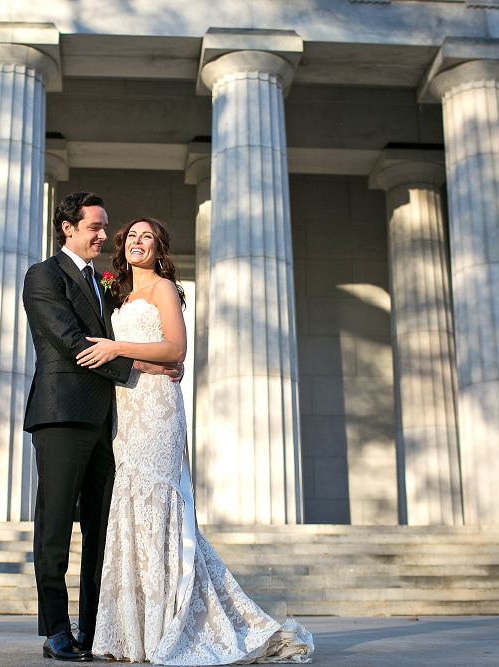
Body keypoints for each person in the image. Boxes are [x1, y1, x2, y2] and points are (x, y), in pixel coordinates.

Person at [75, 217, 314, 665]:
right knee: (130, 506)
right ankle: (133, 631)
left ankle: (173, 623)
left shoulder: (164, 288)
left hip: (159, 408)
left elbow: (175, 350)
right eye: (131, 236)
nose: (137, 242)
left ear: (159, 248)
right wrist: (118, 353)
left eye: (147, 236)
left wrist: (116, 346)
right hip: (125, 409)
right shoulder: (116, 294)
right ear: (122, 247)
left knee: (158, 506)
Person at [22, 194, 180, 663]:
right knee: (54, 526)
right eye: (94, 226)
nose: (102, 235)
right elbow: (74, 343)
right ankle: (55, 630)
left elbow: (146, 335)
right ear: (68, 227)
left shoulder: (106, 284)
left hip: (112, 424)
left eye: (105, 226)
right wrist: (139, 368)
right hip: (62, 415)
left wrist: (161, 360)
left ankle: (94, 631)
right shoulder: (44, 275)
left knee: (101, 529)